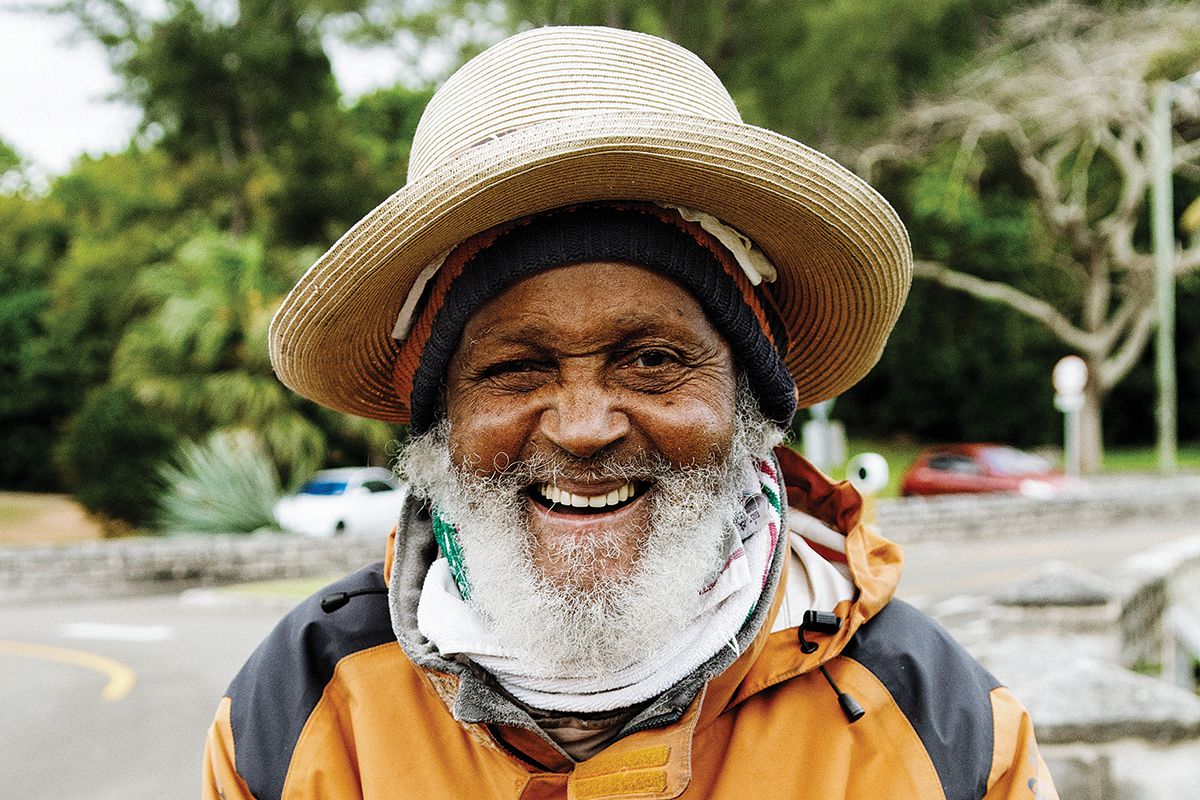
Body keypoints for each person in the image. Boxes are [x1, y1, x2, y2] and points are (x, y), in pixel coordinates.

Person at [204, 25, 1058, 800]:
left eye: (651, 361)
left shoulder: (940, 730)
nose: (582, 428)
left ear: (751, 404)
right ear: (437, 426)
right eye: (514, 368)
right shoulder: (305, 716)